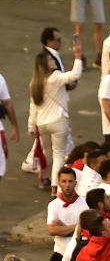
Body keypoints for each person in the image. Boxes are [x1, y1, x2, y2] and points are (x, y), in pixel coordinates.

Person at [27, 39, 84, 186]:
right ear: (46, 64)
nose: (53, 61)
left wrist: (31, 126)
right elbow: (75, 75)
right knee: (59, 154)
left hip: (41, 123)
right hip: (58, 121)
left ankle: (44, 179)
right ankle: (55, 186)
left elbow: (33, 105)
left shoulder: (34, 83)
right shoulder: (55, 77)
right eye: (50, 59)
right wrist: (77, 55)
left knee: (47, 153)